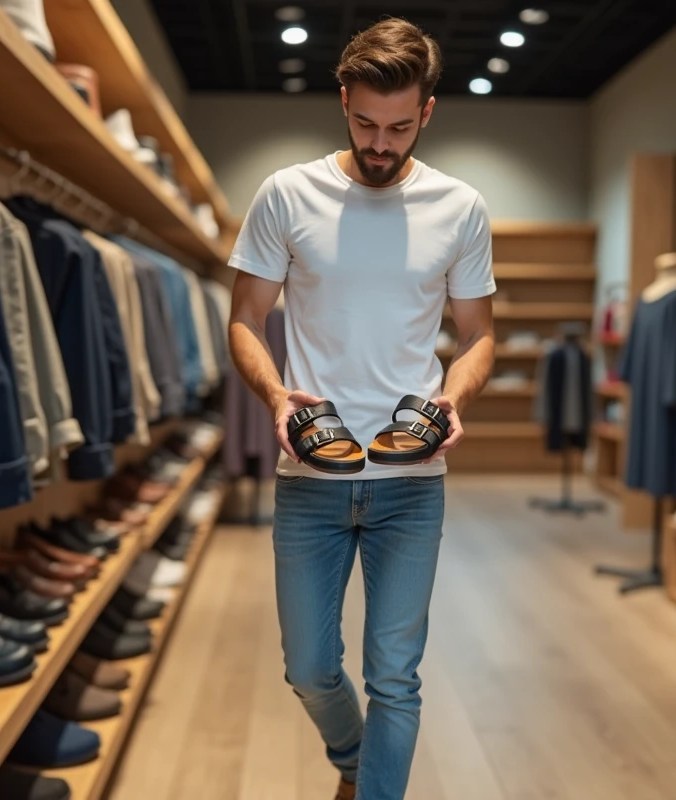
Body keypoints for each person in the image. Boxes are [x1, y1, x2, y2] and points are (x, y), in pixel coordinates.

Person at [227, 17, 495, 800]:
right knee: (308, 667)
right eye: (367, 124)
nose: (382, 145)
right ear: (343, 100)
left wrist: (454, 395)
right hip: (311, 472)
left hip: (412, 481)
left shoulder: (460, 206)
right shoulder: (286, 193)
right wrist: (276, 394)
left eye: (401, 127)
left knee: (395, 677)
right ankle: (354, 759)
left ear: (429, 112)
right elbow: (245, 319)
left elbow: (479, 337)